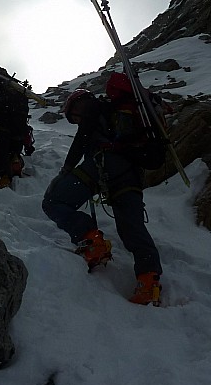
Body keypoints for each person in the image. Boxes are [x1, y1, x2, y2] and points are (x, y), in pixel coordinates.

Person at [42, 87, 163, 306]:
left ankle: (92, 242)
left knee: (53, 201)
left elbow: (81, 140)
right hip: (132, 174)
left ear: (79, 104)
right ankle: (149, 282)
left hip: (104, 164)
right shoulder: (119, 115)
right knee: (133, 230)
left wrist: (65, 171)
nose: (77, 121)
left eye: (74, 116)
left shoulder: (93, 108)